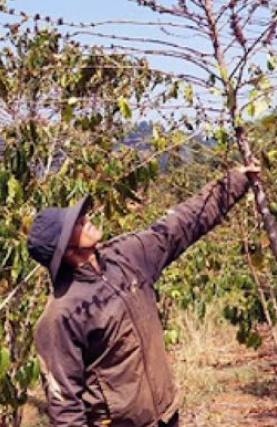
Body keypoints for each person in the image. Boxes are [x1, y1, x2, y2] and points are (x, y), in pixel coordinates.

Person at [27, 162, 261, 427]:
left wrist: (235, 181)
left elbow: (179, 224)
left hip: (166, 417)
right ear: (64, 249)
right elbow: (65, 408)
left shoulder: (127, 256)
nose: (86, 219)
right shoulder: (62, 315)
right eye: (76, 223)